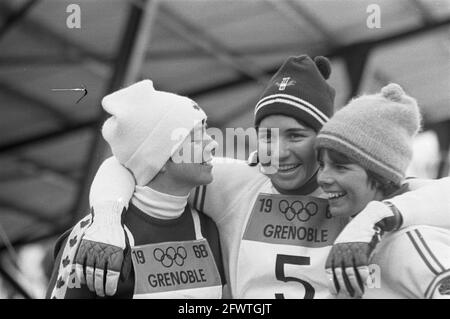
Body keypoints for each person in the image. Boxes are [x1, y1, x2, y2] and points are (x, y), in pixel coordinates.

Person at [77, 55, 450, 298]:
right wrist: (106, 219)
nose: (277, 151)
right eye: (267, 135)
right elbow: (131, 161)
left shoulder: (352, 193)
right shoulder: (238, 184)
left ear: (326, 140)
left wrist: (371, 219)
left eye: (296, 136)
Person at [46, 80, 225, 298]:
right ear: (158, 158)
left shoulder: (208, 228)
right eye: (196, 137)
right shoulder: (98, 237)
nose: (213, 144)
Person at [316, 83, 450, 298]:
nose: (323, 178)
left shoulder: (410, 243)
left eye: (340, 167)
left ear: (381, 175)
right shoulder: (366, 238)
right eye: (321, 165)